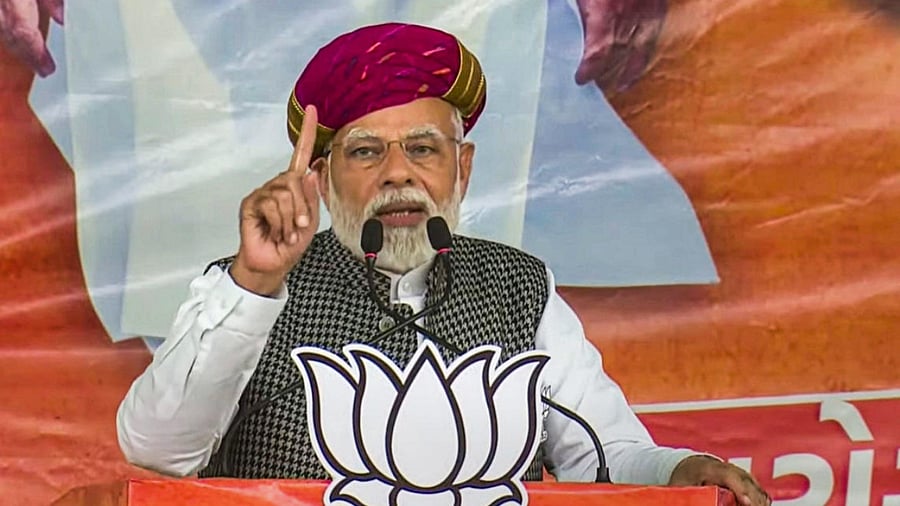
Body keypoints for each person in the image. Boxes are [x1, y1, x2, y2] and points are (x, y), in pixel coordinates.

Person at [116, 22, 770, 505]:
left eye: (424, 149)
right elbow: (156, 452)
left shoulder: (519, 286)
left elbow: (604, 455)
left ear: (463, 167)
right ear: (322, 177)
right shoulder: (246, 287)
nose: (399, 173)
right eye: (367, 152)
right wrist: (257, 283)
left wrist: (678, 471)